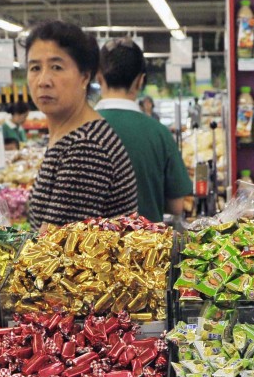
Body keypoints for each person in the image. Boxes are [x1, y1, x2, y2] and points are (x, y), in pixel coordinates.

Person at [24, 21, 138, 229]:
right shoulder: (70, 135)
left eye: (56, 67)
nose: (43, 80)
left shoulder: (86, 147)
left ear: (84, 76)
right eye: (35, 68)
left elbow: (54, 249)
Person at [96, 39, 190, 222]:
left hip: (88, 248)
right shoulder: (159, 133)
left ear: (98, 77)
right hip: (148, 247)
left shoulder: (78, 129)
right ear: (140, 81)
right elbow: (177, 206)